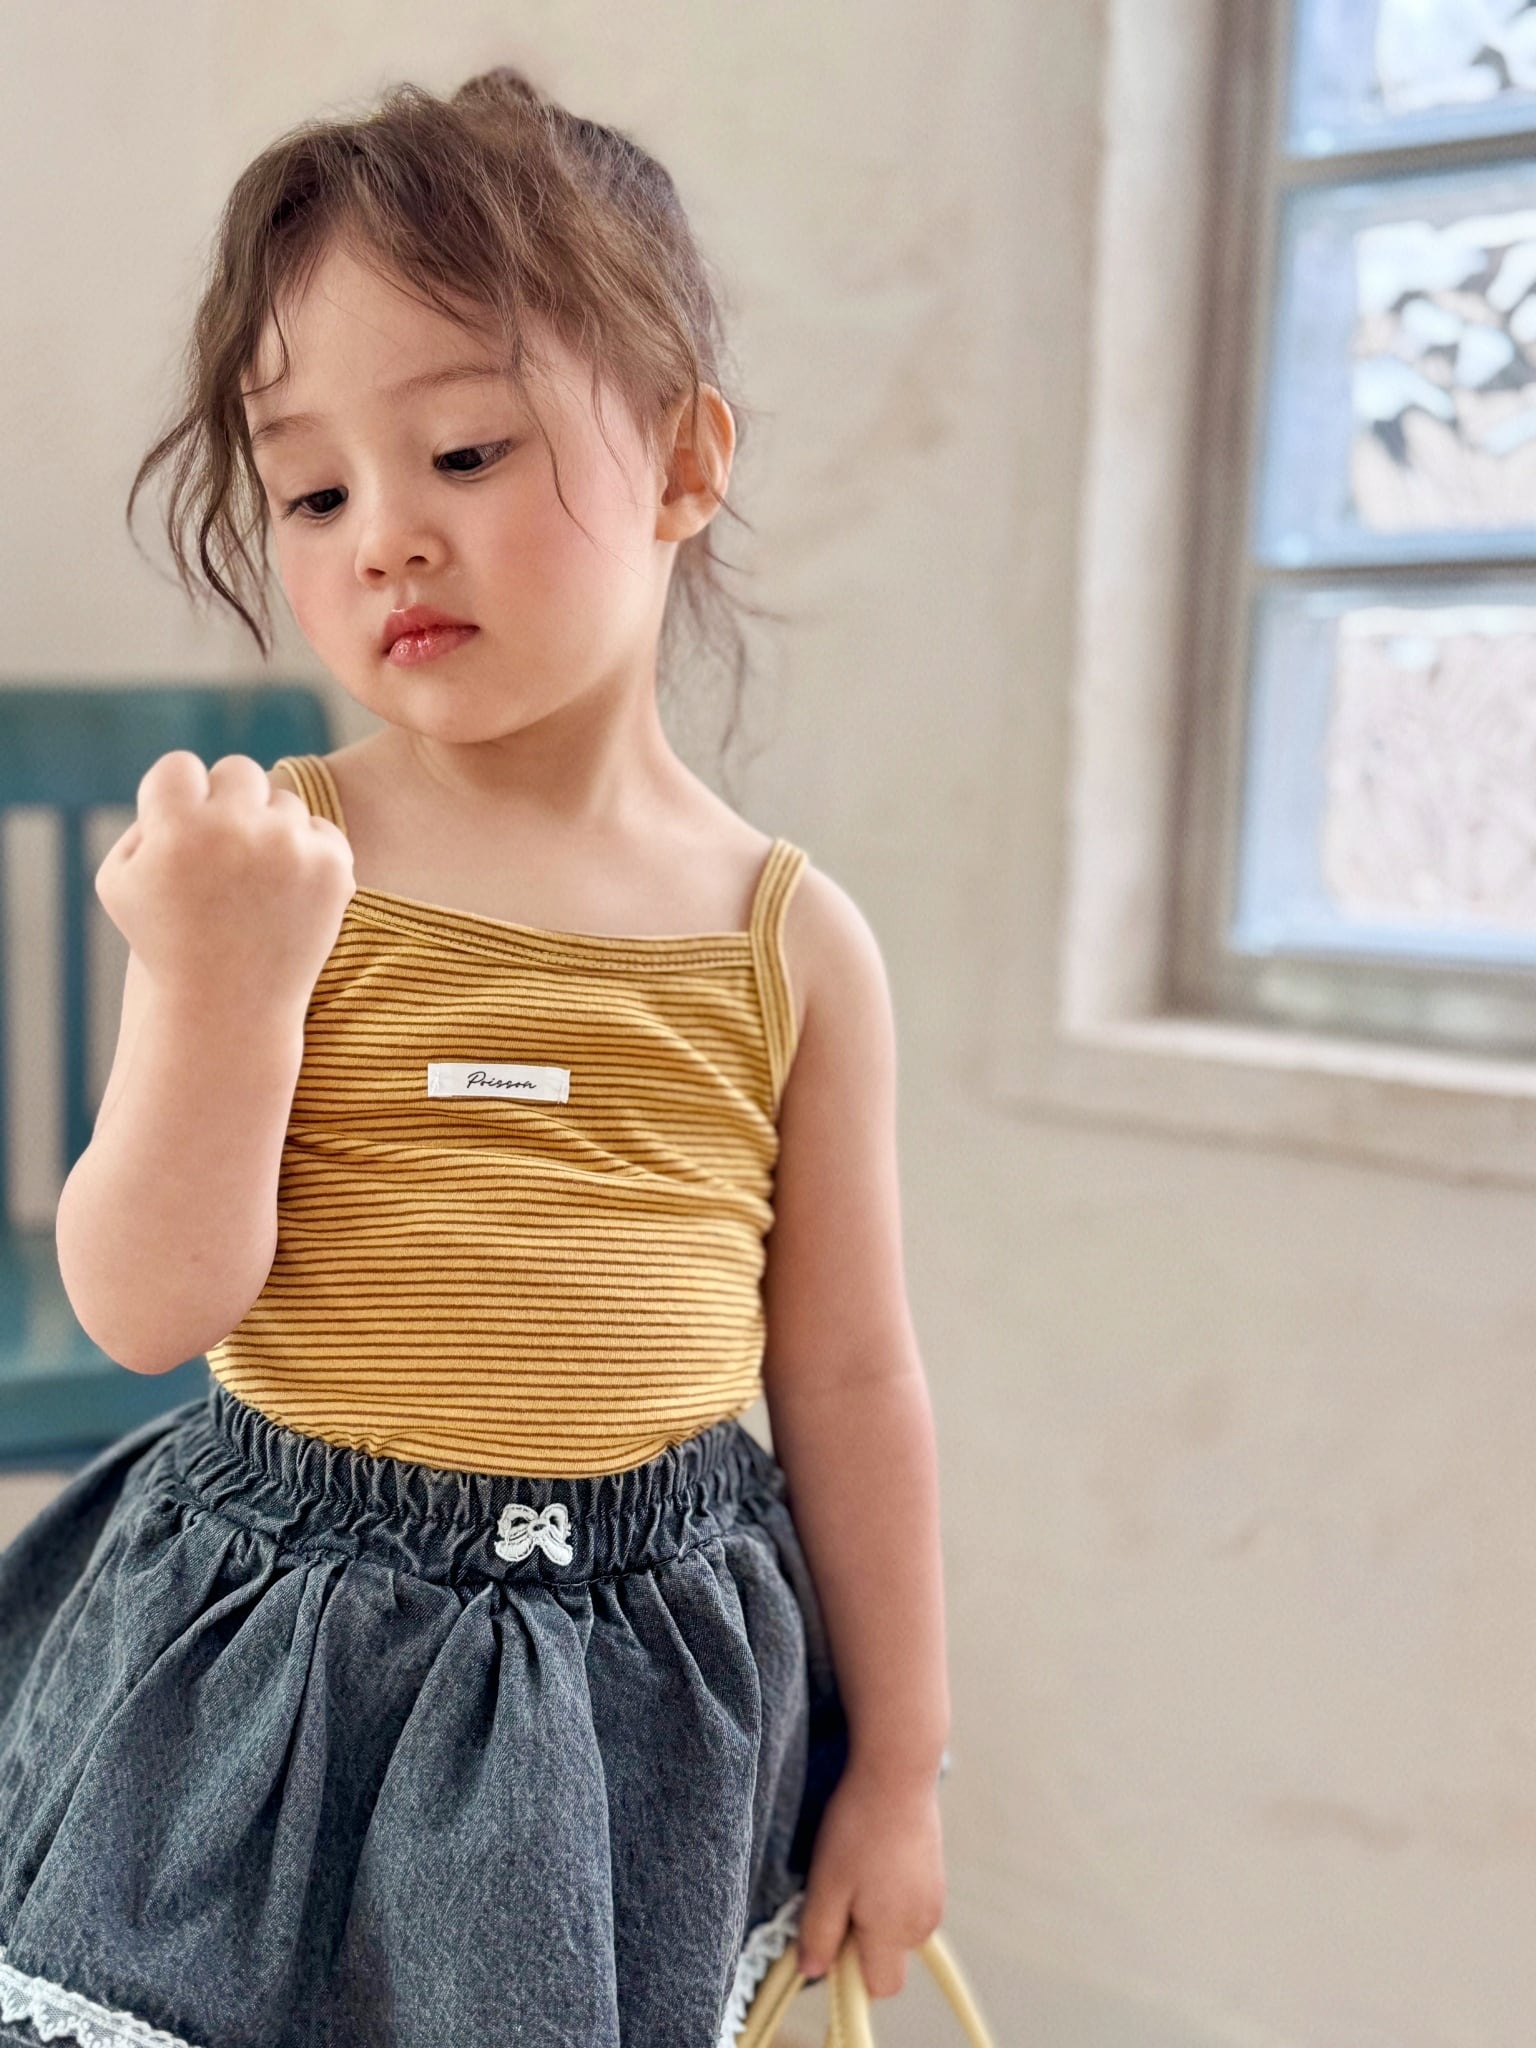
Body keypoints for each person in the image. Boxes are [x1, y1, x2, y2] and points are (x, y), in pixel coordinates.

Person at [0, 66, 950, 2048]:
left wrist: (902, 1761)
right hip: (268, 1669)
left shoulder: (792, 945)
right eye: (314, 492)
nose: (386, 539)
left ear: (684, 460)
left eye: (462, 450)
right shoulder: (273, 865)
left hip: (631, 1697)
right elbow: (145, 1304)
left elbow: (853, 1374)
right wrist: (222, 984)